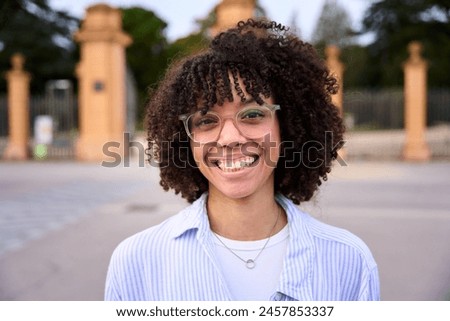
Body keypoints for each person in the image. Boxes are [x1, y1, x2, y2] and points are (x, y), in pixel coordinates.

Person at [105, 19, 380, 301]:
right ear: (185, 140)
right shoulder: (136, 262)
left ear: (286, 127)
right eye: (206, 120)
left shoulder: (350, 262)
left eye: (251, 115)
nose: (229, 138)